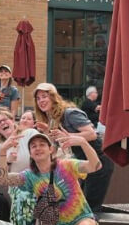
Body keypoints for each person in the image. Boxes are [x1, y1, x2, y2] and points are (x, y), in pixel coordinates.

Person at [33, 82, 114, 214]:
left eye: (44, 96)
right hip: (85, 165)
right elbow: (55, 146)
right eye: (38, 98)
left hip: (99, 162)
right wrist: (47, 133)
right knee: (80, 207)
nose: (41, 100)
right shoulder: (53, 119)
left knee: (90, 209)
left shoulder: (69, 113)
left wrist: (67, 135)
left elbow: (92, 134)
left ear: (54, 97)